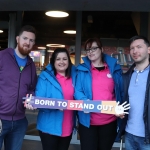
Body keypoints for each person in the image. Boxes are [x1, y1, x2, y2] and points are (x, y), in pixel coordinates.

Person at [74, 38, 123, 150]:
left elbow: (120, 92)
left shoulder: (114, 69)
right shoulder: (82, 70)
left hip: (109, 121)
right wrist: (84, 100)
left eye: (93, 48)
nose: (90, 52)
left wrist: (120, 107)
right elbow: (77, 91)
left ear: (101, 49)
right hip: (88, 122)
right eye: (88, 50)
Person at [0, 25, 37, 150]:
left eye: (31, 40)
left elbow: (31, 88)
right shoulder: (2, 57)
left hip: (19, 122)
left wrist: (31, 99)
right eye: (25, 38)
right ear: (17, 39)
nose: (27, 42)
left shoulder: (31, 65)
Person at [35, 48, 76, 150]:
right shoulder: (44, 77)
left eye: (64, 59)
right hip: (48, 126)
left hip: (67, 125)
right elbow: (38, 101)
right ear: (53, 61)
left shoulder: (74, 76)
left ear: (68, 61)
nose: (61, 62)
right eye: (58, 59)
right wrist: (55, 105)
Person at [118, 35, 150, 150]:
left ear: (148, 50)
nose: (135, 51)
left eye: (139, 47)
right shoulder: (127, 76)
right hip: (129, 134)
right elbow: (124, 101)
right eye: (132, 48)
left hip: (147, 138)